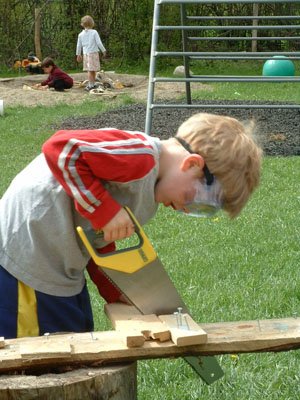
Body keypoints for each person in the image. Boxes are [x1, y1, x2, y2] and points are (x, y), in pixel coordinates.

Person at [0, 113, 262, 339]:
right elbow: (62, 148)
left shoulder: (147, 193)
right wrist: (106, 212)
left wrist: (119, 292)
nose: (186, 209)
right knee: (44, 353)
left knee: (79, 333)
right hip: (24, 257)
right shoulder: (141, 156)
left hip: (60, 262)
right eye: (198, 201)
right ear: (192, 164)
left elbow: (97, 238)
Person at [76, 15, 107, 91]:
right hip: (93, 53)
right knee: (91, 70)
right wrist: (104, 50)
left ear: (82, 24)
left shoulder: (80, 34)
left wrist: (78, 54)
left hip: (86, 54)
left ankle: (92, 84)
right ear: (92, 23)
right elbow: (99, 43)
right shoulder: (94, 32)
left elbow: (78, 45)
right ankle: (90, 85)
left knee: (92, 70)